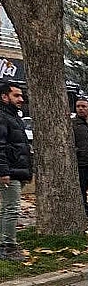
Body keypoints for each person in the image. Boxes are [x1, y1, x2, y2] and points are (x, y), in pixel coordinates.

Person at [0, 83, 31, 261]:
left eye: (21, 96)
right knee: (11, 208)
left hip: (13, 170)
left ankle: (4, 244)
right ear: (5, 97)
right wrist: (4, 171)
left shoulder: (12, 116)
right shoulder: (3, 117)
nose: (21, 99)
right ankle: (9, 247)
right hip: (9, 172)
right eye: (16, 96)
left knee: (6, 209)